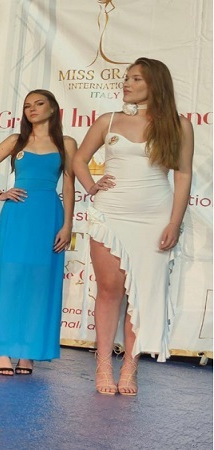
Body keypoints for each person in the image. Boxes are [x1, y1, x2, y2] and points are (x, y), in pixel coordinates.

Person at [73, 57, 194, 395]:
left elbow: (183, 174)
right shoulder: (108, 120)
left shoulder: (179, 125)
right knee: (109, 289)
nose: (126, 83)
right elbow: (79, 159)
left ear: (155, 83)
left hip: (155, 217)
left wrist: (174, 222)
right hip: (110, 213)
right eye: (126, 78)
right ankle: (102, 365)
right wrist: (91, 185)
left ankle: (130, 367)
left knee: (141, 294)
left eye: (136, 78)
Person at [0, 90, 77, 375]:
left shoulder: (66, 143)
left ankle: (28, 352)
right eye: (28, 105)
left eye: (39, 104)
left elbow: (69, 186)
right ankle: (2, 350)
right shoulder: (15, 141)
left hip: (49, 215)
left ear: (53, 108)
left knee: (40, 282)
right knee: (10, 278)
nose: (32, 109)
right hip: (17, 215)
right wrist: (0, 193)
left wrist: (67, 225)